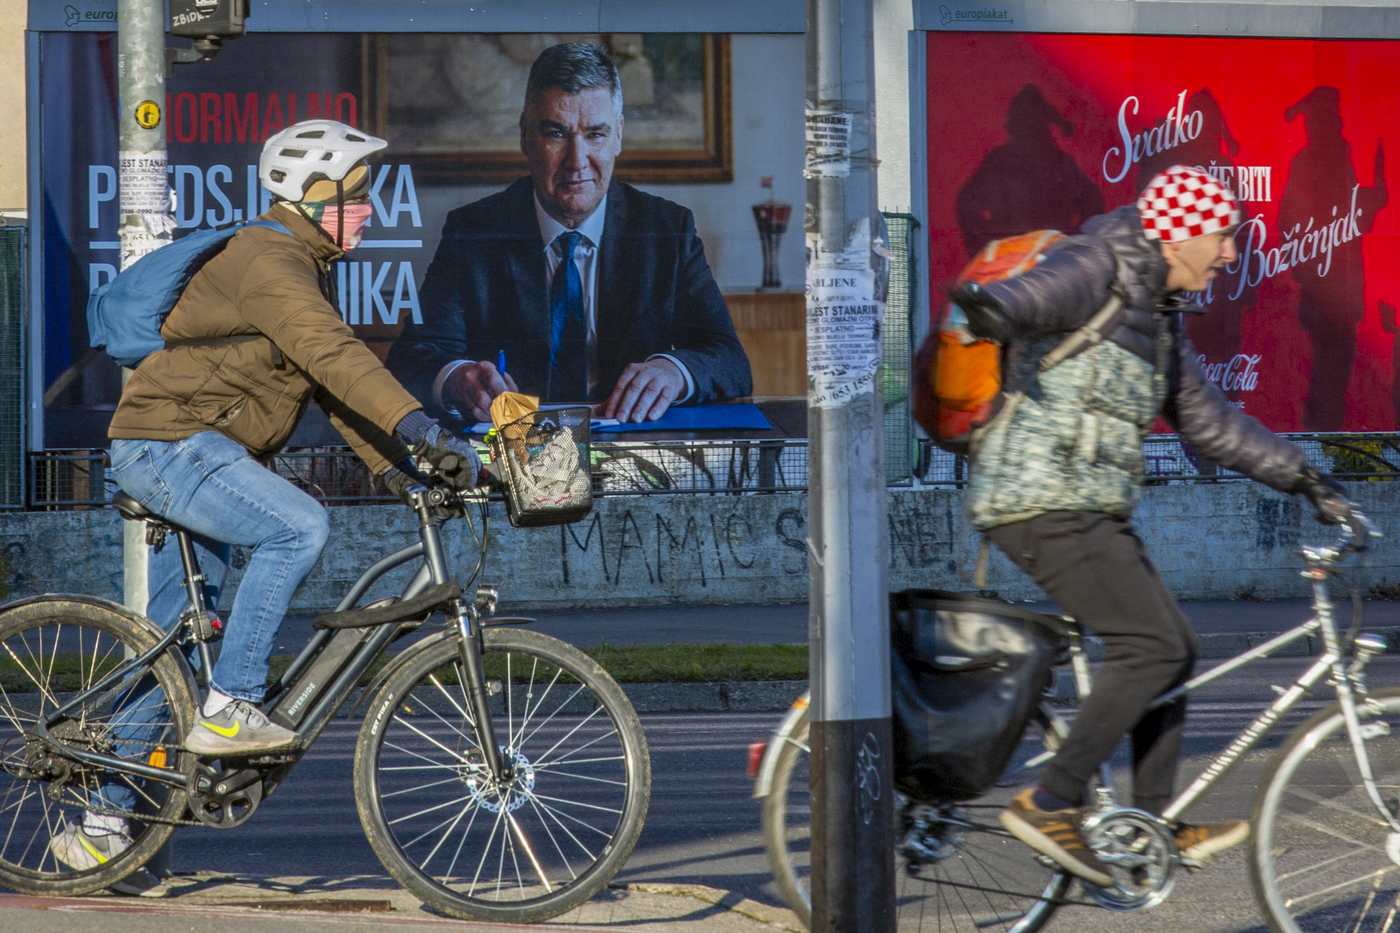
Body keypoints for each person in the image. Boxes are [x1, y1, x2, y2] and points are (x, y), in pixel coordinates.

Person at [50, 119, 481, 871]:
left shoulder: (299, 266)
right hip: (165, 444)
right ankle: (232, 708)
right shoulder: (268, 258)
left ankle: (102, 827)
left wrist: (412, 472)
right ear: (316, 198)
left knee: (177, 648)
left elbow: (335, 394)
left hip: (198, 450)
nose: (371, 211)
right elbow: (335, 355)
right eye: (359, 197)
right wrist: (421, 426)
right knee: (297, 526)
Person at [948, 165, 1351, 887]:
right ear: (1182, 234)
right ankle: (1049, 800)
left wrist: (1304, 475)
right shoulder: (1099, 263)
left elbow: (1211, 425)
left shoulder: (1158, 318)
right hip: (1038, 498)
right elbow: (1038, 295)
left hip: (1087, 504)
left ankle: (1149, 826)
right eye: (1224, 238)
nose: (1230, 255)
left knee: (1176, 645)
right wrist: (995, 308)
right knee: (1150, 644)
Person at [386, 42, 752, 426]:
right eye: (556, 134)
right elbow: (412, 357)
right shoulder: (474, 232)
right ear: (526, 135)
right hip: (513, 457)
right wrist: (457, 379)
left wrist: (674, 372)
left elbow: (730, 359)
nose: (577, 162)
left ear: (619, 136)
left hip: (635, 454)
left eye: (595, 134)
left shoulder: (665, 230)